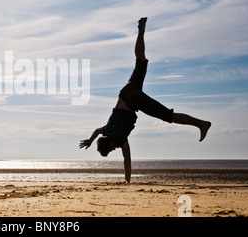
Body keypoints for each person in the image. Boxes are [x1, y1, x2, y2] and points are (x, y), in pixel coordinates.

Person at [79, 17, 211, 184]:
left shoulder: (118, 139)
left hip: (133, 101)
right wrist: (90, 141)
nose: (114, 150)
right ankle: (141, 30)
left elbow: (127, 159)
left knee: (168, 116)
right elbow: (97, 130)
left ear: (110, 143)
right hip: (125, 92)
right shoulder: (106, 130)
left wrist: (127, 182)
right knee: (140, 61)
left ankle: (201, 124)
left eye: (111, 149)